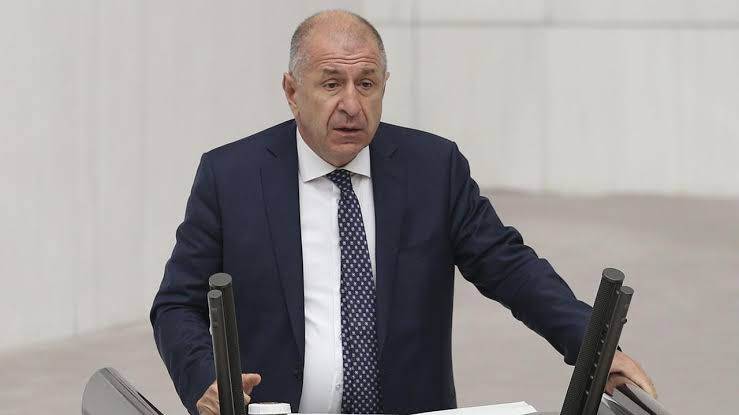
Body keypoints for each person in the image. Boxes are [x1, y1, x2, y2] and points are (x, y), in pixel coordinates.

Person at [150, 10, 656, 415]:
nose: (352, 105)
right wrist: (206, 380)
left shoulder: (433, 169)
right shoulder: (231, 178)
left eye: (367, 84)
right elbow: (176, 304)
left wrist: (595, 349)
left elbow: (510, 268)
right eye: (331, 84)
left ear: (385, 85)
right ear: (291, 92)